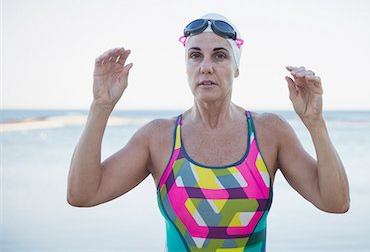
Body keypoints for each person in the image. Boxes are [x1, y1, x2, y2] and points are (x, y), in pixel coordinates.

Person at [67, 13, 350, 251]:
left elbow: (335, 202)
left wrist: (315, 122)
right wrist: (100, 107)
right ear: (186, 66)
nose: (206, 67)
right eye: (195, 56)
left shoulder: (268, 133)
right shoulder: (159, 138)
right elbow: (83, 195)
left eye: (219, 56)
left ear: (236, 67)